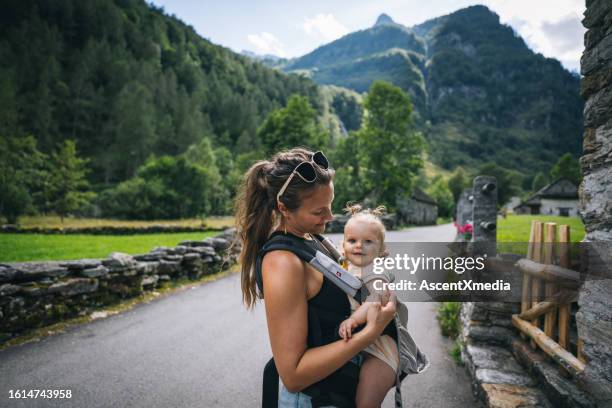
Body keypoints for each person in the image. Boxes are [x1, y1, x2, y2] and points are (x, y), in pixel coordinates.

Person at [235, 147, 397, 407]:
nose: (330, 217)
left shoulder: (311, 238)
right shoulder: (283, 263)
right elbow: (293, 375)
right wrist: (373, 331)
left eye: (329, 206)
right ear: (284, 208)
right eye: (319, 212)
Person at [338, 204, 399, 408]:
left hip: (381, 350)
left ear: (381, 250)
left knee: (366, 403)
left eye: (368, 242)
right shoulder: (350, 264)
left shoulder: (376, 271)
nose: (358, 246)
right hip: (364, 342)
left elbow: (378, 296)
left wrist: (354, 319)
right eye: (352, 240)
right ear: (343, 244)